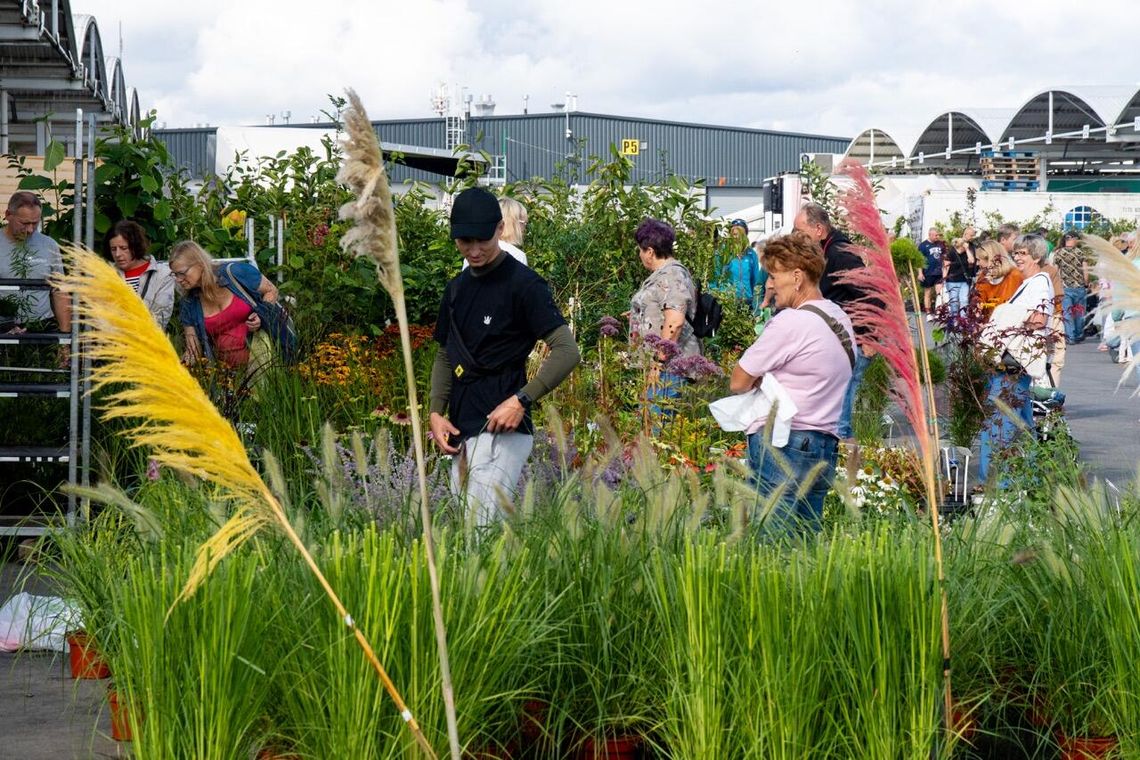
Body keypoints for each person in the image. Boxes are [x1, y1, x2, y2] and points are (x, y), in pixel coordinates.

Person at [428, 187, 580, 527]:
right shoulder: (455, 288)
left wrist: (521, 400)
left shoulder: (524, 285)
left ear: (500, 229)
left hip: (505, 425)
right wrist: (435, 413)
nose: (474, 250)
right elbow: (444, 354)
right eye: (465, 241)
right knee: (469, 530)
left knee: (481, 526)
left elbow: (568, 351)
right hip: (460, 425)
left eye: (482, 239)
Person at [729, 232, 855, 531]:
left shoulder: (791, 322)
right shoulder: (839, 317)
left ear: (797, 277)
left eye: (773, 275)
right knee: (804, 544)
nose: (769, 284)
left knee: (772, 543)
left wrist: (763, 381)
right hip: (823, 444)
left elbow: (738, 381)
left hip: (783, 443)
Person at [978, 234, 1055, 484]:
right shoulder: (1030, 282)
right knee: (1023, 424)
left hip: (1015, 362)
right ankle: (1031, 480)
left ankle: (998, 483)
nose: (1018, 258)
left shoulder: (1040, 283)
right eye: (1017, 253)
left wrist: (1004, 314)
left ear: (1037, 256)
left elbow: (1039, 320)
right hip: (1018, 362)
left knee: (1001, 425)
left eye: (1024, 253)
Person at [792, 202, 870, 441]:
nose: (797, 237)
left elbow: (868, 293)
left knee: (842, 399)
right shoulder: (825, 250)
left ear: (818, 229)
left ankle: (841, 448)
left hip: (853, 339)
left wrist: (869, 338)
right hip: (837, 337)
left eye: (801, 231)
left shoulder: (840, 253)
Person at [628, 217, 700, 416]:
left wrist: (658, 363)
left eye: (640, 251)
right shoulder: (664, 275)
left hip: (668, 368)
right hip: (661, 366)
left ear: (650, 252)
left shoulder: (672, 276)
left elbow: (675, 322)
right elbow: (663, 308)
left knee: (656, 431)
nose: (640, 256)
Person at [172, 241, 280, 368]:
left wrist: (262, 315)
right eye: (174, 274)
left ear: (200, 264)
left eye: (182, 273)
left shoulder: (236, 273)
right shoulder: (188, 303)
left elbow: (271, 290)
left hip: (266, 365)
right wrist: (175, 371)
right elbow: (193, 351)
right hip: (224, 375)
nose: (178, 279)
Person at [0, 192, 70, 332]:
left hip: (42, 328)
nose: (30, 229)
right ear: (8, 215)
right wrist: (5, 324)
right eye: (24, 223)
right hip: (3, 331)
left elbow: (59, 291)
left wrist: (65, 339)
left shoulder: (49, 245)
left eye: (35, 223)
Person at [105, 220, 175, 327]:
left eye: (124, 248)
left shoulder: (162, 274)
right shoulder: (107, 273)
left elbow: (160, 318)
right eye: (113, 249)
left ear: (136, 246)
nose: (118, 254)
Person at [462, 196, 528, 269]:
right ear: (514, 224)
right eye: (523, 223)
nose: (524, 229)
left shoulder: (474, 252)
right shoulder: (517, 255)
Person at [1053, 230, 1093, 344]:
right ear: (1074, 239)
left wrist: (1056, 285)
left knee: (1067, 313)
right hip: (1079, 287)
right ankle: (1078, 334)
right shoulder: (1080, 253)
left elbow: (1056, 271)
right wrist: (1086, 283)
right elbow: (1085, 270)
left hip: (1065, 287)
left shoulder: (1059, 253)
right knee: (1079, 313)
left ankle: (1070, 337)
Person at [974, 240, 1023, 320]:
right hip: (988, 325)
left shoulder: (1015, 276)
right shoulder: (983, 277)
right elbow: (980, 302)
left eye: (979, 260)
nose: (977, 264)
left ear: (990, 259)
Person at [719, 219, 762, 308]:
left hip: (748, 301)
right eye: (734, 234)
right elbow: (717, 277)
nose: (737, 237)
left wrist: (757, 302)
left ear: (745, 235)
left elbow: (756, 279)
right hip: (728, 301)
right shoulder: (723, 252)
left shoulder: (751, 254)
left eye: (741, 233)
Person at [942, 236, 975, 321]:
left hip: (964, 281)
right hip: (952, 281)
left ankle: (963, 320)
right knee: (954, 302)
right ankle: (954, 319)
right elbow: (946, 267)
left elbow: (971, 261)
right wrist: (943, 280)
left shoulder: (966, 253)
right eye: (965, 245)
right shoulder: (951, 253)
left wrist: (967, 250)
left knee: (964, 300)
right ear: (962, 245)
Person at [918, 228, 948, 319]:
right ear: (930, 234)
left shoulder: (940, 244)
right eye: (935, 235)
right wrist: (920, 273)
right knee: (928, 292)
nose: (937, 237)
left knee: (940, 292)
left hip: (938, 272)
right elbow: (919, 260)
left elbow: (944, 257)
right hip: (927, 272)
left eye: (938, 235)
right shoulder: (923, 245)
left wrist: (945, 272)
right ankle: (928, 313)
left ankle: (939, 312)